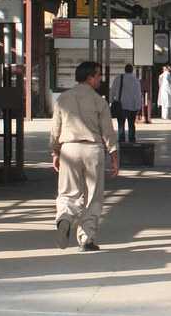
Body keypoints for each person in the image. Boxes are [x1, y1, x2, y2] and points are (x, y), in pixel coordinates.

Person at [50, 61, 119, 252]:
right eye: (98, 75)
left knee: (67, 192)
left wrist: (55, 152)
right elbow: (108, 131)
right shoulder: (99, 101)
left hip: (69, 149)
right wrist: (114, 155)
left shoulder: (63, 99)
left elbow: (55, 129)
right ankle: (86, 239)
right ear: (90, 77)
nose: (100, 79)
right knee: (92, 196)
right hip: (92, 150)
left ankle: (64, 218)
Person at [109, 64, 143, 143]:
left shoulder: (118, 78)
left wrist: (111, 101)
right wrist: (138, 106)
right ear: (132, 70)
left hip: (121, 105)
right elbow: (138, 94)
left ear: (125, 70)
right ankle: (131, 140)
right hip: (132, 106)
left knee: (121, 124)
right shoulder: (136, 80)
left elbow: (112, 90)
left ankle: (121, 140)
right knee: (131, 124)